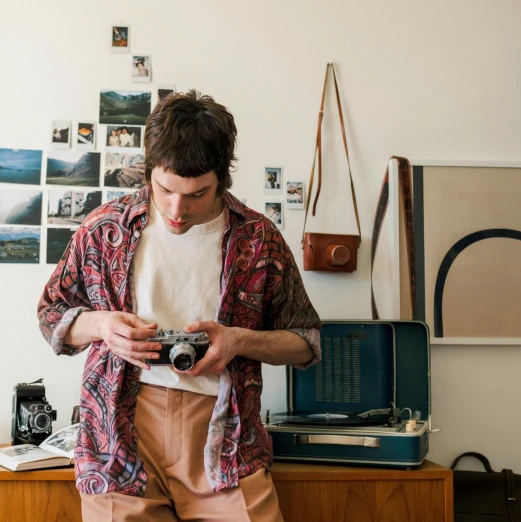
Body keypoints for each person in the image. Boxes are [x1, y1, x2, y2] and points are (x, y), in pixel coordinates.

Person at [38, 90, 321, 521]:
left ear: (222, 179)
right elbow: (51, 314)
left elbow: (306, 343)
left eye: (196, 194)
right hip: (120, 436)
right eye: (165, 189)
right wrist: (101, 325)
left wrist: (239, 341)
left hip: (226, 437)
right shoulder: (102, 228)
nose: (176, 209)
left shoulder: (259, 239)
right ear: (149, 169)